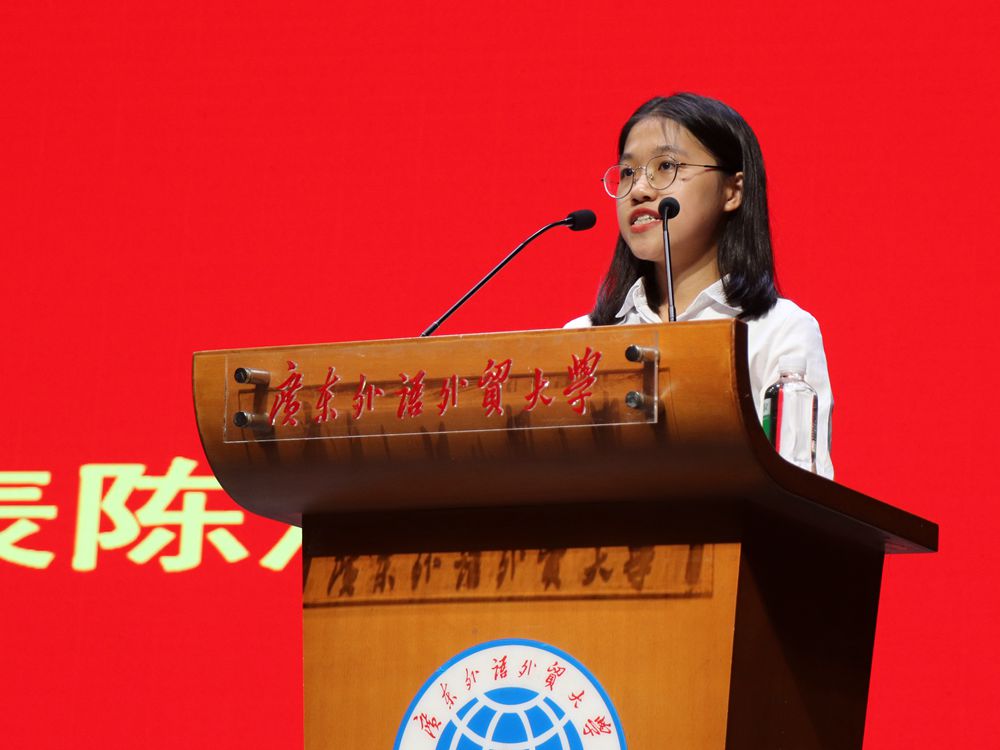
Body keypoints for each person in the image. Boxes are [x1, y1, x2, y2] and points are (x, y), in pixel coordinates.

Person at [565, 93, 834, 479]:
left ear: (732, 191)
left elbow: (802, 487)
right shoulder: (582, 338)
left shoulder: (778, 331)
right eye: (627, 172)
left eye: (666, 166)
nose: (639, 190)